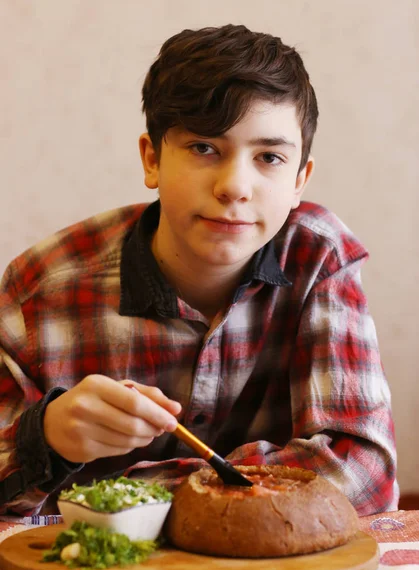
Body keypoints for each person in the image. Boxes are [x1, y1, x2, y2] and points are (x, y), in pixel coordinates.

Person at [0, 24, 398, 517]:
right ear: (152, 159)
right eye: (204, 148)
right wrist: (47, 438)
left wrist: (131, 501)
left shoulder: (319, 258)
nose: (235, 187)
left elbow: (365, 471)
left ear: (299, 180)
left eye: (269, 157)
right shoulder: (39, 290)